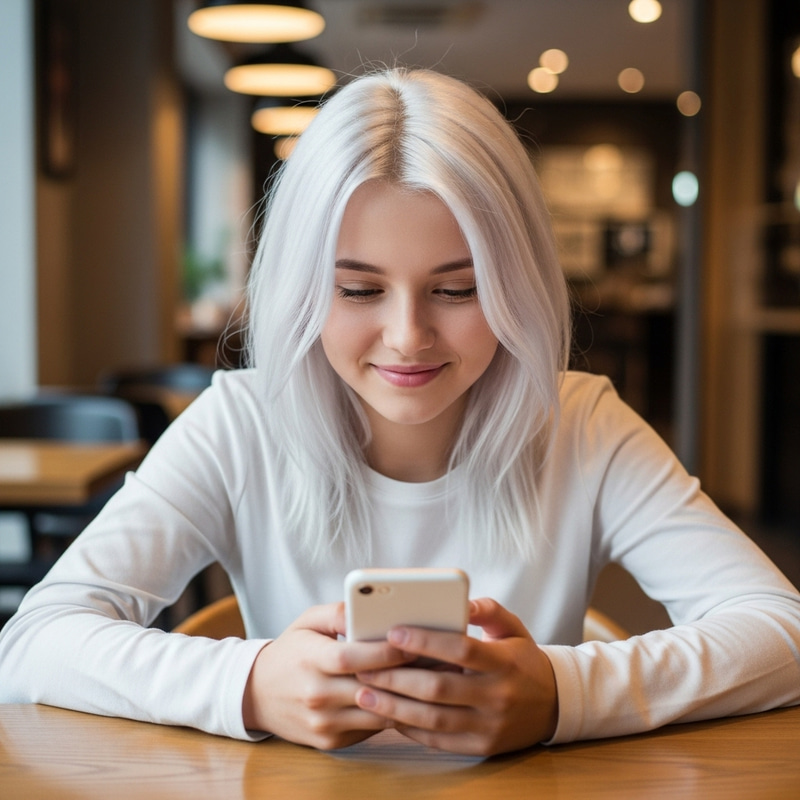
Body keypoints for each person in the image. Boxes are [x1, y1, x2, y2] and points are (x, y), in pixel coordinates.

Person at [1, 68, 799, 756]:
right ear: (303, 290)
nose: (408, 336)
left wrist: (562, 692)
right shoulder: (242, 423)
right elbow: (33, 642)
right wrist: (248, 683)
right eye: (358, 289)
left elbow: (783, 633)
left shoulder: (582, 424)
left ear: (516, 286)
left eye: (458, 289)